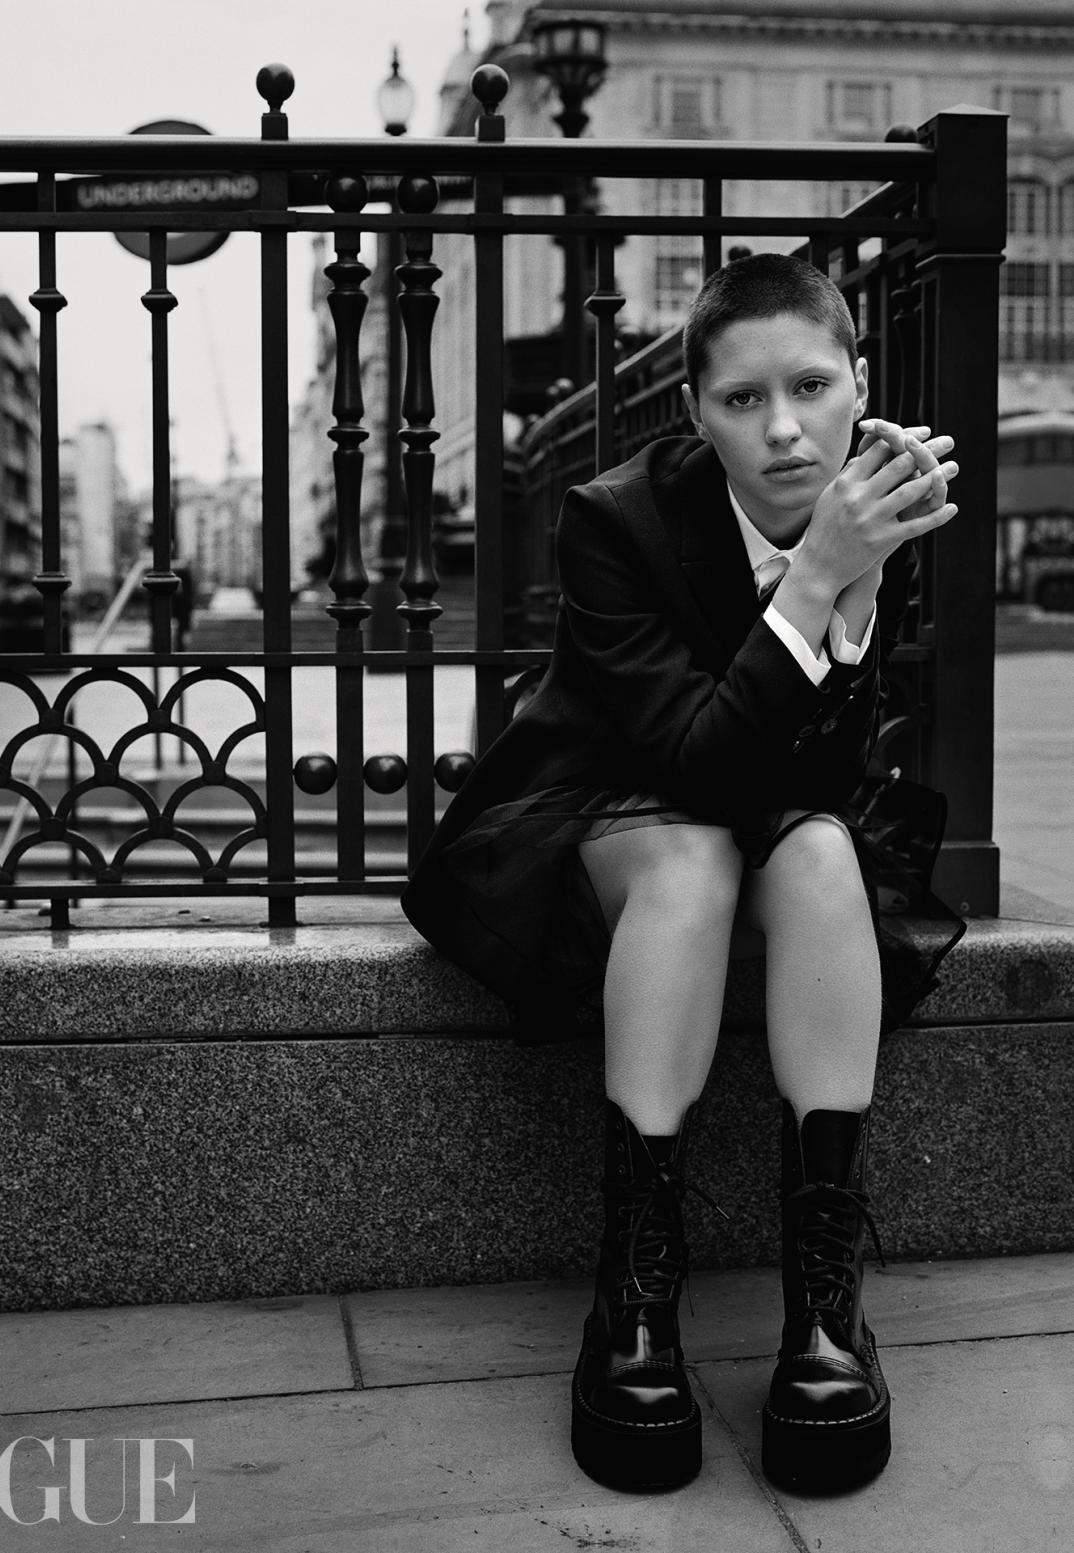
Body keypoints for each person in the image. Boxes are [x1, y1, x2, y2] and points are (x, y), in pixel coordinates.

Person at [401, 252, 965, 1494]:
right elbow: (695, 768)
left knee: (819, 854)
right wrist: (819, 574)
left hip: (768, 805)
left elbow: (816, 773)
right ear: (697, 413)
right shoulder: (616, 518)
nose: (783, 429)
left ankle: (825, 1308)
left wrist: (856, 569)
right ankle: (634, 1300)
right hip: (599, 809)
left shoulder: (878, 498)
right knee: (699, 858)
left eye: (812, 386)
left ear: (858, 383)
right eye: (741, 400)